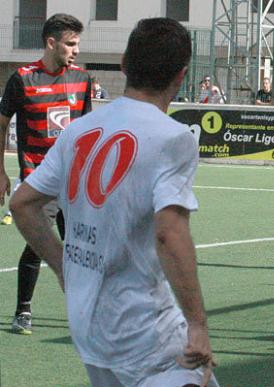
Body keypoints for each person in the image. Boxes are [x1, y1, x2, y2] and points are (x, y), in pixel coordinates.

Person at [9, 17, 218, 387]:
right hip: (141, 327)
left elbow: (22, 203)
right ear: (182, 75)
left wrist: (62, 267)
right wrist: (198, 324)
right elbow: (170, 233)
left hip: (87, 322)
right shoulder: (174, 138)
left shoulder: (78, 130)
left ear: (123, 63)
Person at [0, 13, 92, 335]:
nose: (75, 50)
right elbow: (1, 124)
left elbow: (86, 132)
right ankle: (22, 311)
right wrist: (1, 171)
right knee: (39, 242)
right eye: (70, 43)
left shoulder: (83, 80)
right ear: (51, 43)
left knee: (80, 244)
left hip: (73, 178)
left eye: (77, 43)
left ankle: (87, 311)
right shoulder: (22, 79)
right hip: (38, 177)